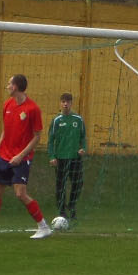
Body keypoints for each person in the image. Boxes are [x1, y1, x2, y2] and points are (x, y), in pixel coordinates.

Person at [0, 73, 52, 239]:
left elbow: (37, 136)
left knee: (20, 194)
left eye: (9, 84)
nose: (7, 86)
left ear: (15, 87)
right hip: (5, 156)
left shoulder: (33, 109)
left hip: (22, 159)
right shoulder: (7, 104)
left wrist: (21, 156)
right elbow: (5, 131)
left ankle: (44, 227)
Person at [48, 92, 87, 223]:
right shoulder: (56, 120)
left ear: (71, 103)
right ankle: (61, 211)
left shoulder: (78, 119)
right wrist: (52, 156)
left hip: (75, 157)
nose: (65, 104)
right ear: (60, 103)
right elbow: (51, 140)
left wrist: (83, 148)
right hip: (61, 158)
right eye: (63, 102)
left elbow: (83, 137)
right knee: (61, 185)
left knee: (78, 183)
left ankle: (72, 206)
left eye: (68, 102)